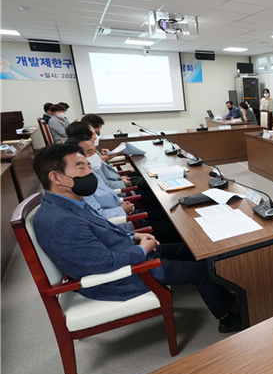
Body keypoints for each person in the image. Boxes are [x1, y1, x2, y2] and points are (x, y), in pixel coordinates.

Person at [32, 143, 241, 333]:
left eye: (88, 165)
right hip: (119, 276)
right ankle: (228, 319)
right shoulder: (60, 220)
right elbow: (103, 263)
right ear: (56, 177)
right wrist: (141, 250)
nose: (89, 172)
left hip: (126, 251)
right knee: (201, 272)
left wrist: (134, 235)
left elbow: (104, 231)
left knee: (195, 249)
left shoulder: (68, 202)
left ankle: (228, 289)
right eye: (81, 167)